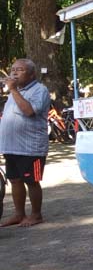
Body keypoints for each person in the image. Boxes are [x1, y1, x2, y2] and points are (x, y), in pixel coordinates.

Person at [0, 59, 52, 227]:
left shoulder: (40, 90)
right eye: (13, 69)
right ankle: (19, 214)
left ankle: (36, 215)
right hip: (11, 146)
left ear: (31, 74)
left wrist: (13, 89)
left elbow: (29, 111)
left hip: (31, 148)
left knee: (32, 181)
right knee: (15, 180)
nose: (14, 73)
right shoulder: (13, 92)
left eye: (20, 70)